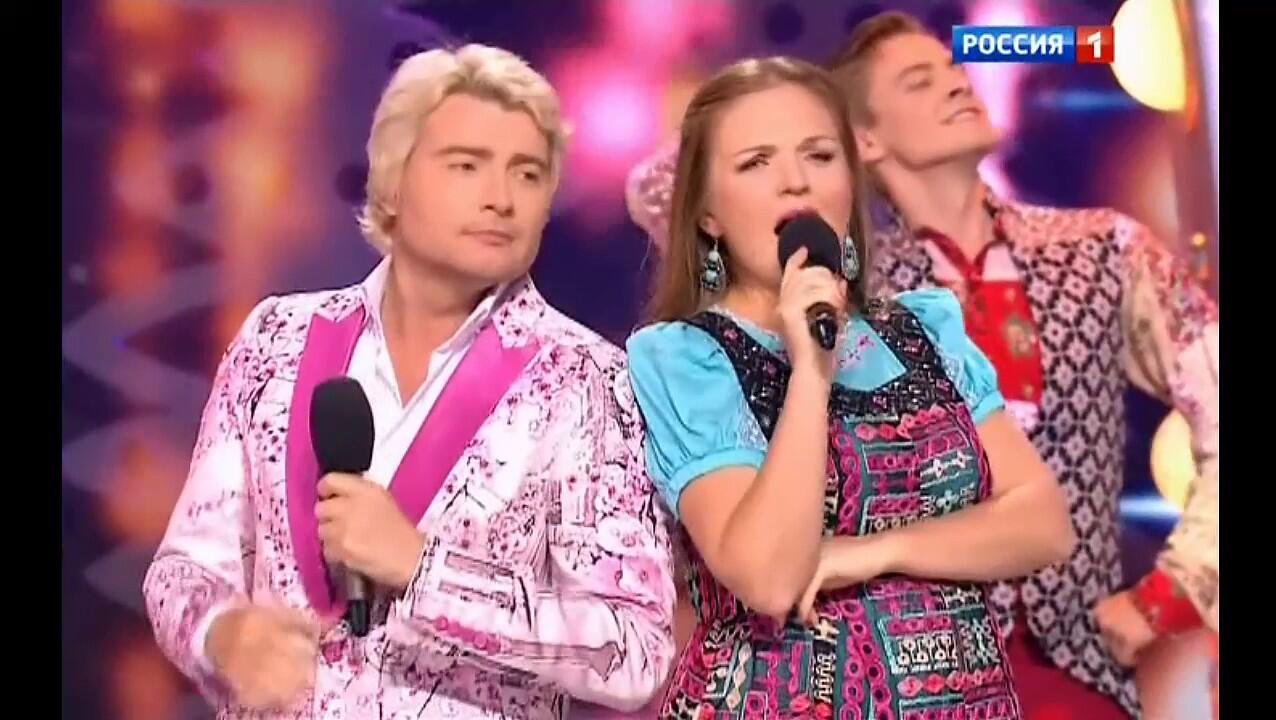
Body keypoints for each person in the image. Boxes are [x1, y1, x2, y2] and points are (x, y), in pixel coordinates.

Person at [625, 11, 1220, 719]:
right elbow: (768, 579)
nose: (795, 182)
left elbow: (1043, 522)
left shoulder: (935, 319)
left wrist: (869, 552)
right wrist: (810, 367)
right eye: (757, 163)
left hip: (1008, 685)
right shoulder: (686, 355)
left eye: (819, 155)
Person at [143, 44, 676, 719]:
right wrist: (222, 634)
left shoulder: (588, 381)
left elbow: (634, 651)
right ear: (393, 182)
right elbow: (184, 568)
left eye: (527, 173)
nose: (500, 198)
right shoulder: (276, 338)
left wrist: (427, 572)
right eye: (466, 165)